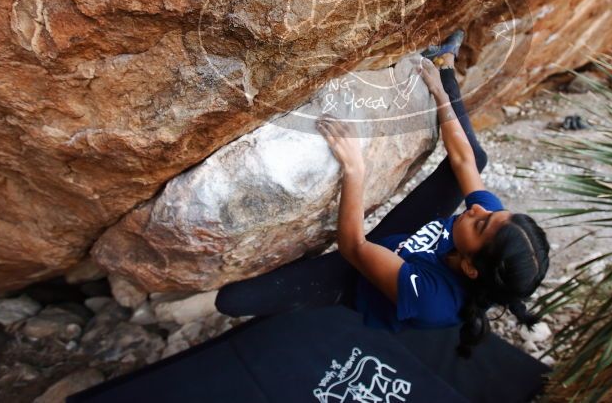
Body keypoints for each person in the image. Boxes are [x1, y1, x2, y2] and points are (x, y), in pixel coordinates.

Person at [216, 30, 550, 358]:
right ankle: (444, 61)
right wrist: (439, 92)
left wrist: (354, 168)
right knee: (476, 160)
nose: (478, 210)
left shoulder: (434, 301)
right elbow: (463, 159)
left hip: (358, 277)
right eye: (491, 213)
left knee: (232, 300)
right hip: (407, 236)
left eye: (480, 225)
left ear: (471, 267)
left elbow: (354, 248)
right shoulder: (493, 228)